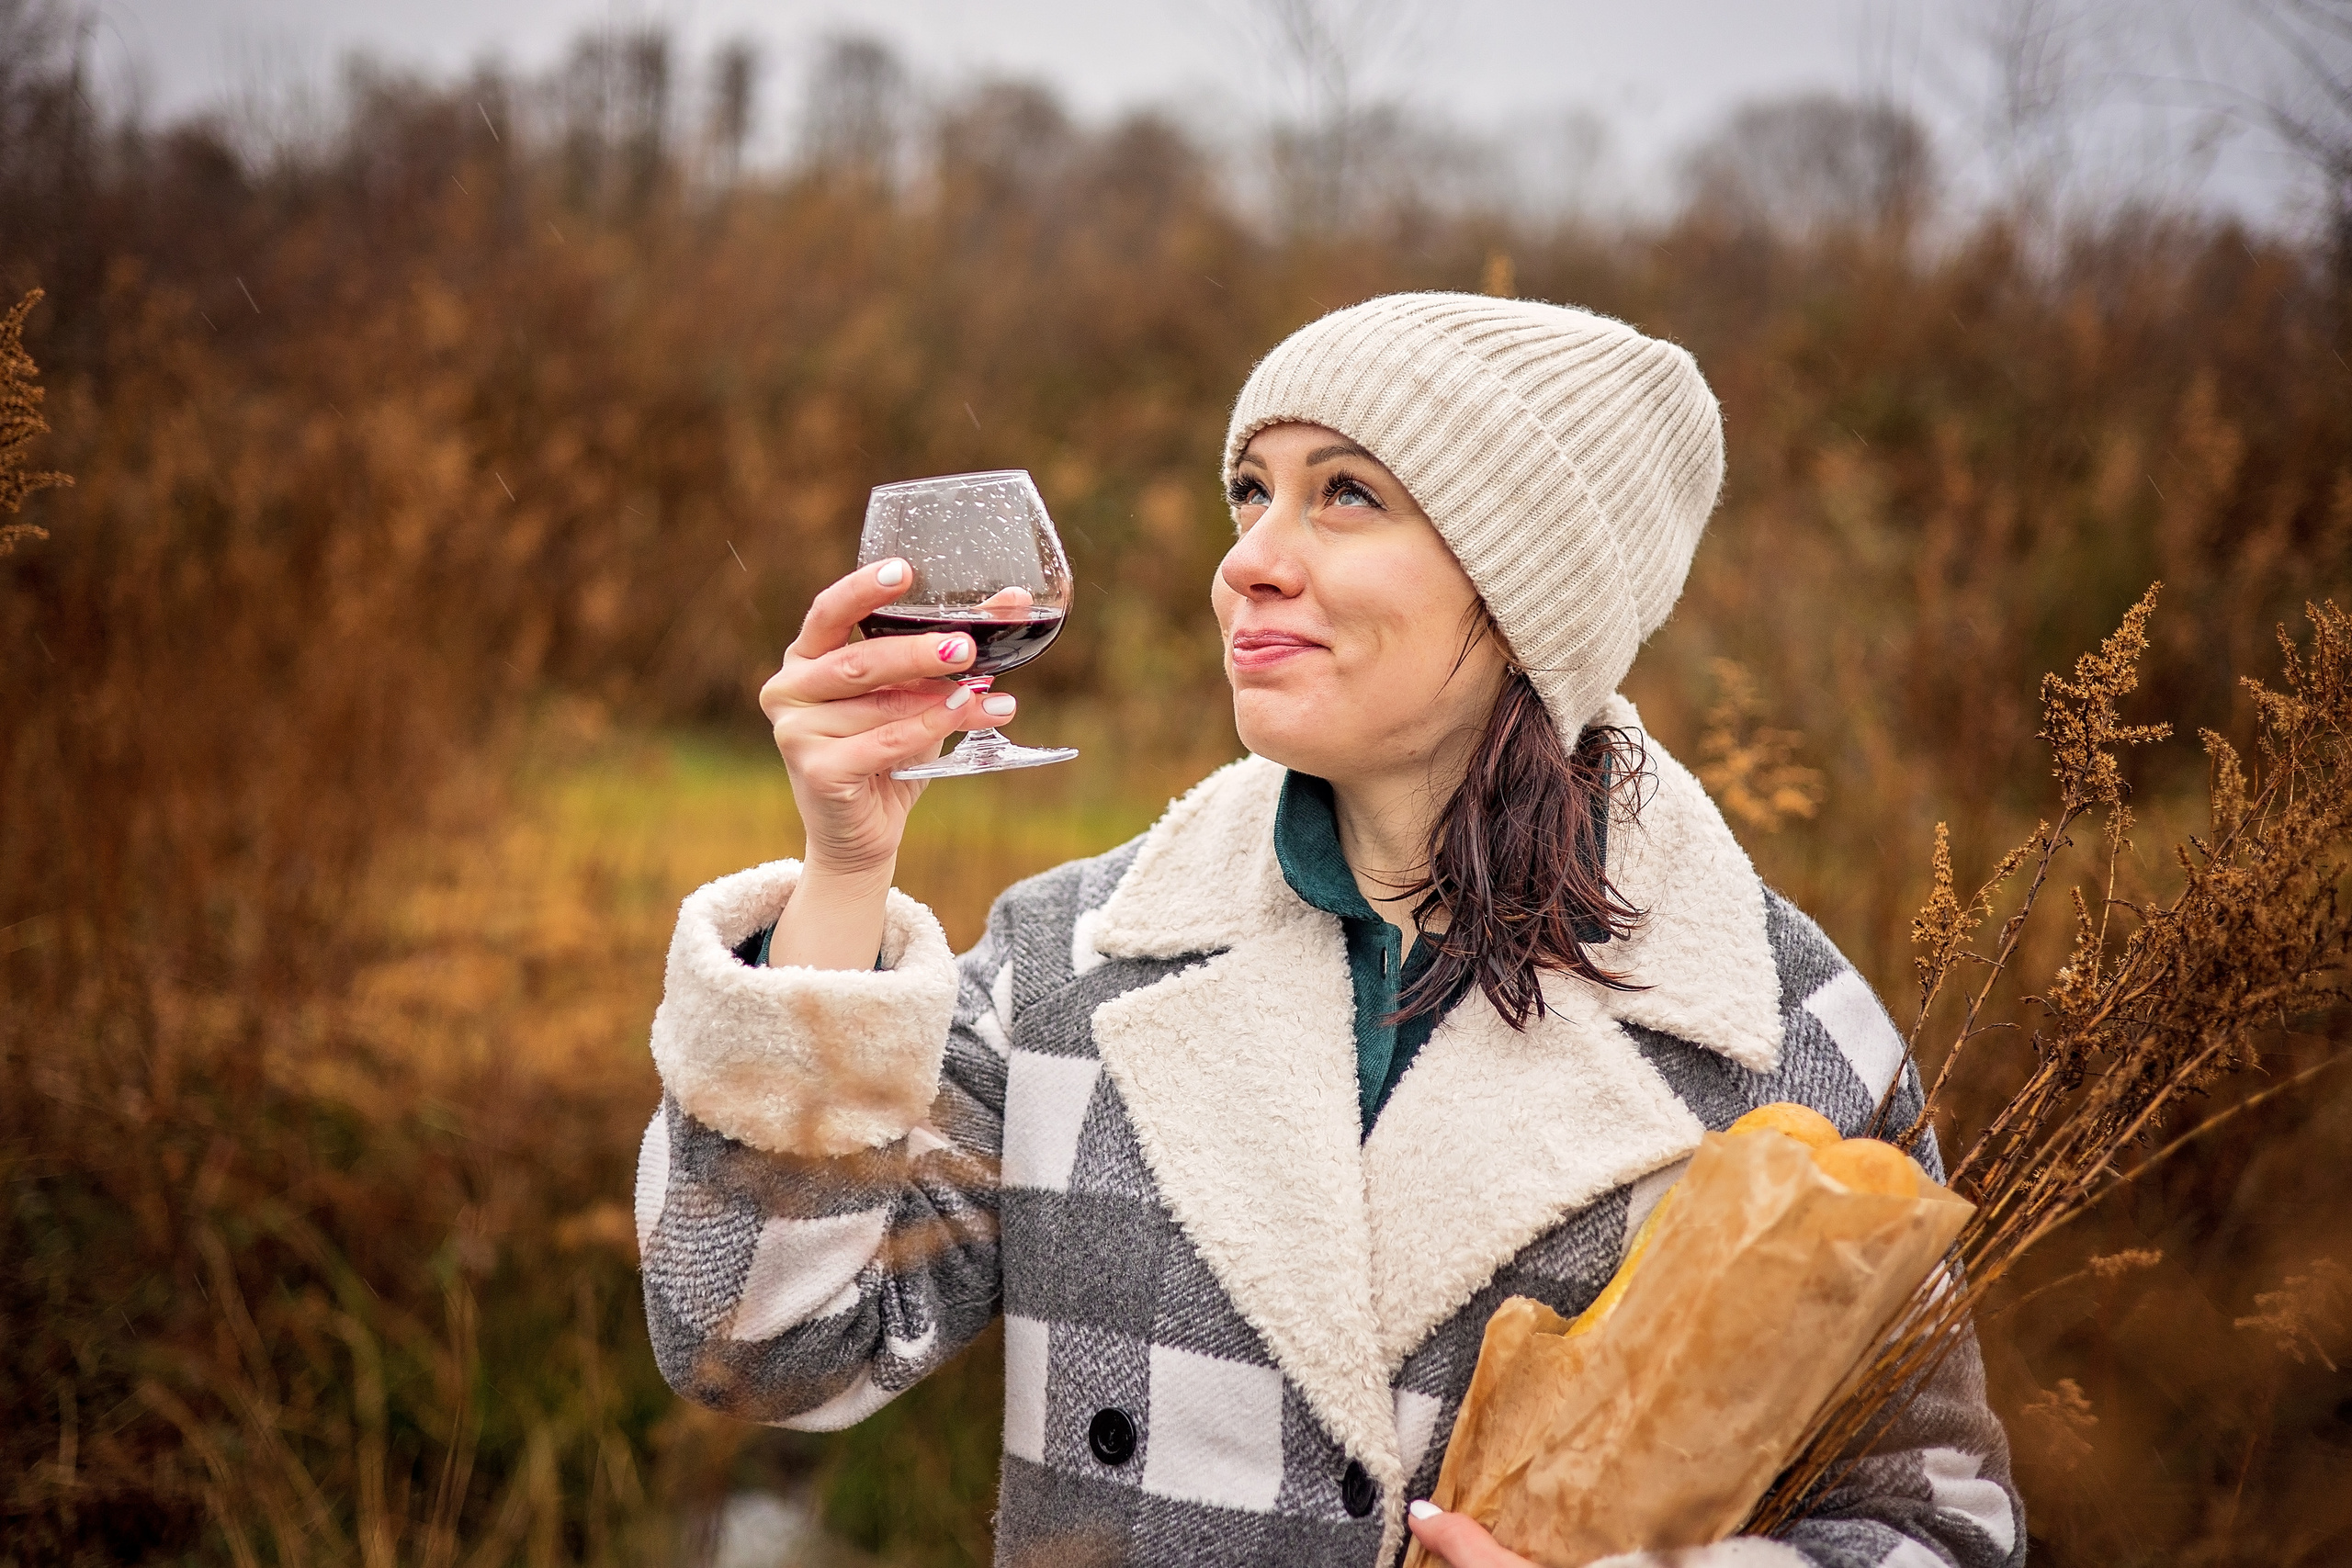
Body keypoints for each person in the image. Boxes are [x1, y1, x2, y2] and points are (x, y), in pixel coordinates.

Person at [634, 294, 2023, 1568]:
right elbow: (754, 1349)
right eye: (1253, 494)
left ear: (1524, 582)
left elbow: (1937, 1529)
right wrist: (846, 864)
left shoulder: (1774, 1029)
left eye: (1344, 495)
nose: (1249, 563)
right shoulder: (1078, 959)